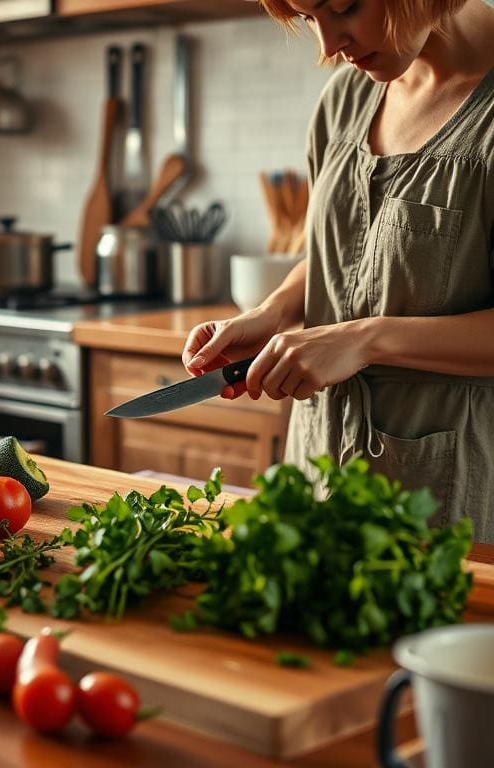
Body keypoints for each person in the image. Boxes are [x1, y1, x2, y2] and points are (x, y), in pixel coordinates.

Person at [182, 0, 494, 540]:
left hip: (447, 493)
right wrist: (271, 313)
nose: (328, 47)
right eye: (307, 19)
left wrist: (366, 340)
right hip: (318, 460)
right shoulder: (345, 98)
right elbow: (347, 250)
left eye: (344, 7)